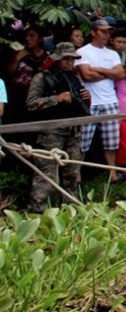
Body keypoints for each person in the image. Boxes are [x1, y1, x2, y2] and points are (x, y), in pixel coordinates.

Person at [24, 43, 89, 211]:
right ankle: (38, 210)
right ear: (57, 59)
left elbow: (80, 103)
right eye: (66, 59)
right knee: (47, 173)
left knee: (73, 173)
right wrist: (56, 99)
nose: (70, 63)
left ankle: (71, 209)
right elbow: (31, 103)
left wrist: (86, 98)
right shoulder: (42, 77)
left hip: (73, 130)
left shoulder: (73, 78)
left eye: (72, 59)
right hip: (50, 131)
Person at [75, 19, 125, 180]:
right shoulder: (83, 51)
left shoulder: (112, 53)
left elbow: (121, 74)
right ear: (93, 32)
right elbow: (86, 76)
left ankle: (112, 175)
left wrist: (99, 69)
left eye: (108, 31)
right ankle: (75, 175)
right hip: (89, 103)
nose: (106, 34)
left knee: (111, 143)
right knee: (82, 143)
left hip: (110, 101)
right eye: (103, 31)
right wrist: (109, 72)